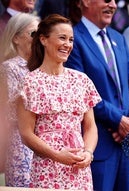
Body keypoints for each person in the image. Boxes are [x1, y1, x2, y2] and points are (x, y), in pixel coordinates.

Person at [16, 14, 101, 190]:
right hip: (47, 168)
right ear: (43, 39)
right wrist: (57, 155)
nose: (67, 44)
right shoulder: (30, 82)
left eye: (70, 39)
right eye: (62, 38)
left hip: (79, 168)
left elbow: (90, 126)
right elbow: (26, 133)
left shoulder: (82, 80)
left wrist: (88, 153)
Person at [65, 0, 129, 190]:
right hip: (98, 145)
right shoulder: (72, 38)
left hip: (126, 143)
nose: (113, 5)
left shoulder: (118, 37)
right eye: (107, 0)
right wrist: (118, 120)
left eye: (115, 1)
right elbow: (80, 90)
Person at [0, 12, 39, 187]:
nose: (38, 38)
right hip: (21, 144)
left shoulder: (42, 68)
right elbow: (9, 113)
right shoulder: (9, 68)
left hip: (46, 141)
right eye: (33, 33)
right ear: (16, 38)